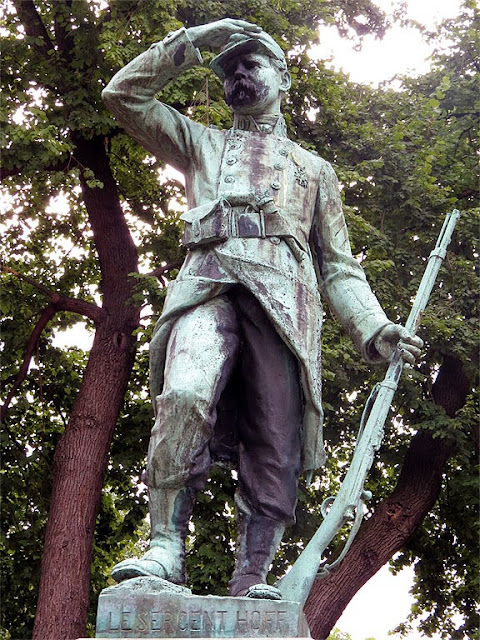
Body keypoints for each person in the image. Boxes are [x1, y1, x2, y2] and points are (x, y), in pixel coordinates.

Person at [102, 19, 422, 600]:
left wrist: (375, 327)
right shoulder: (200, 143)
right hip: (209, 286)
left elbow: (339, 267)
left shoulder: (314, 171)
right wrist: (194, 41)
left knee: (275, 438)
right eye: (228, 69)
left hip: (284, 305)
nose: (239, 75)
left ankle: (254, 572)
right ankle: (165, 547)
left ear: (283, 78)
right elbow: (122, 96)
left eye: (252, 64)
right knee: (183, 394)